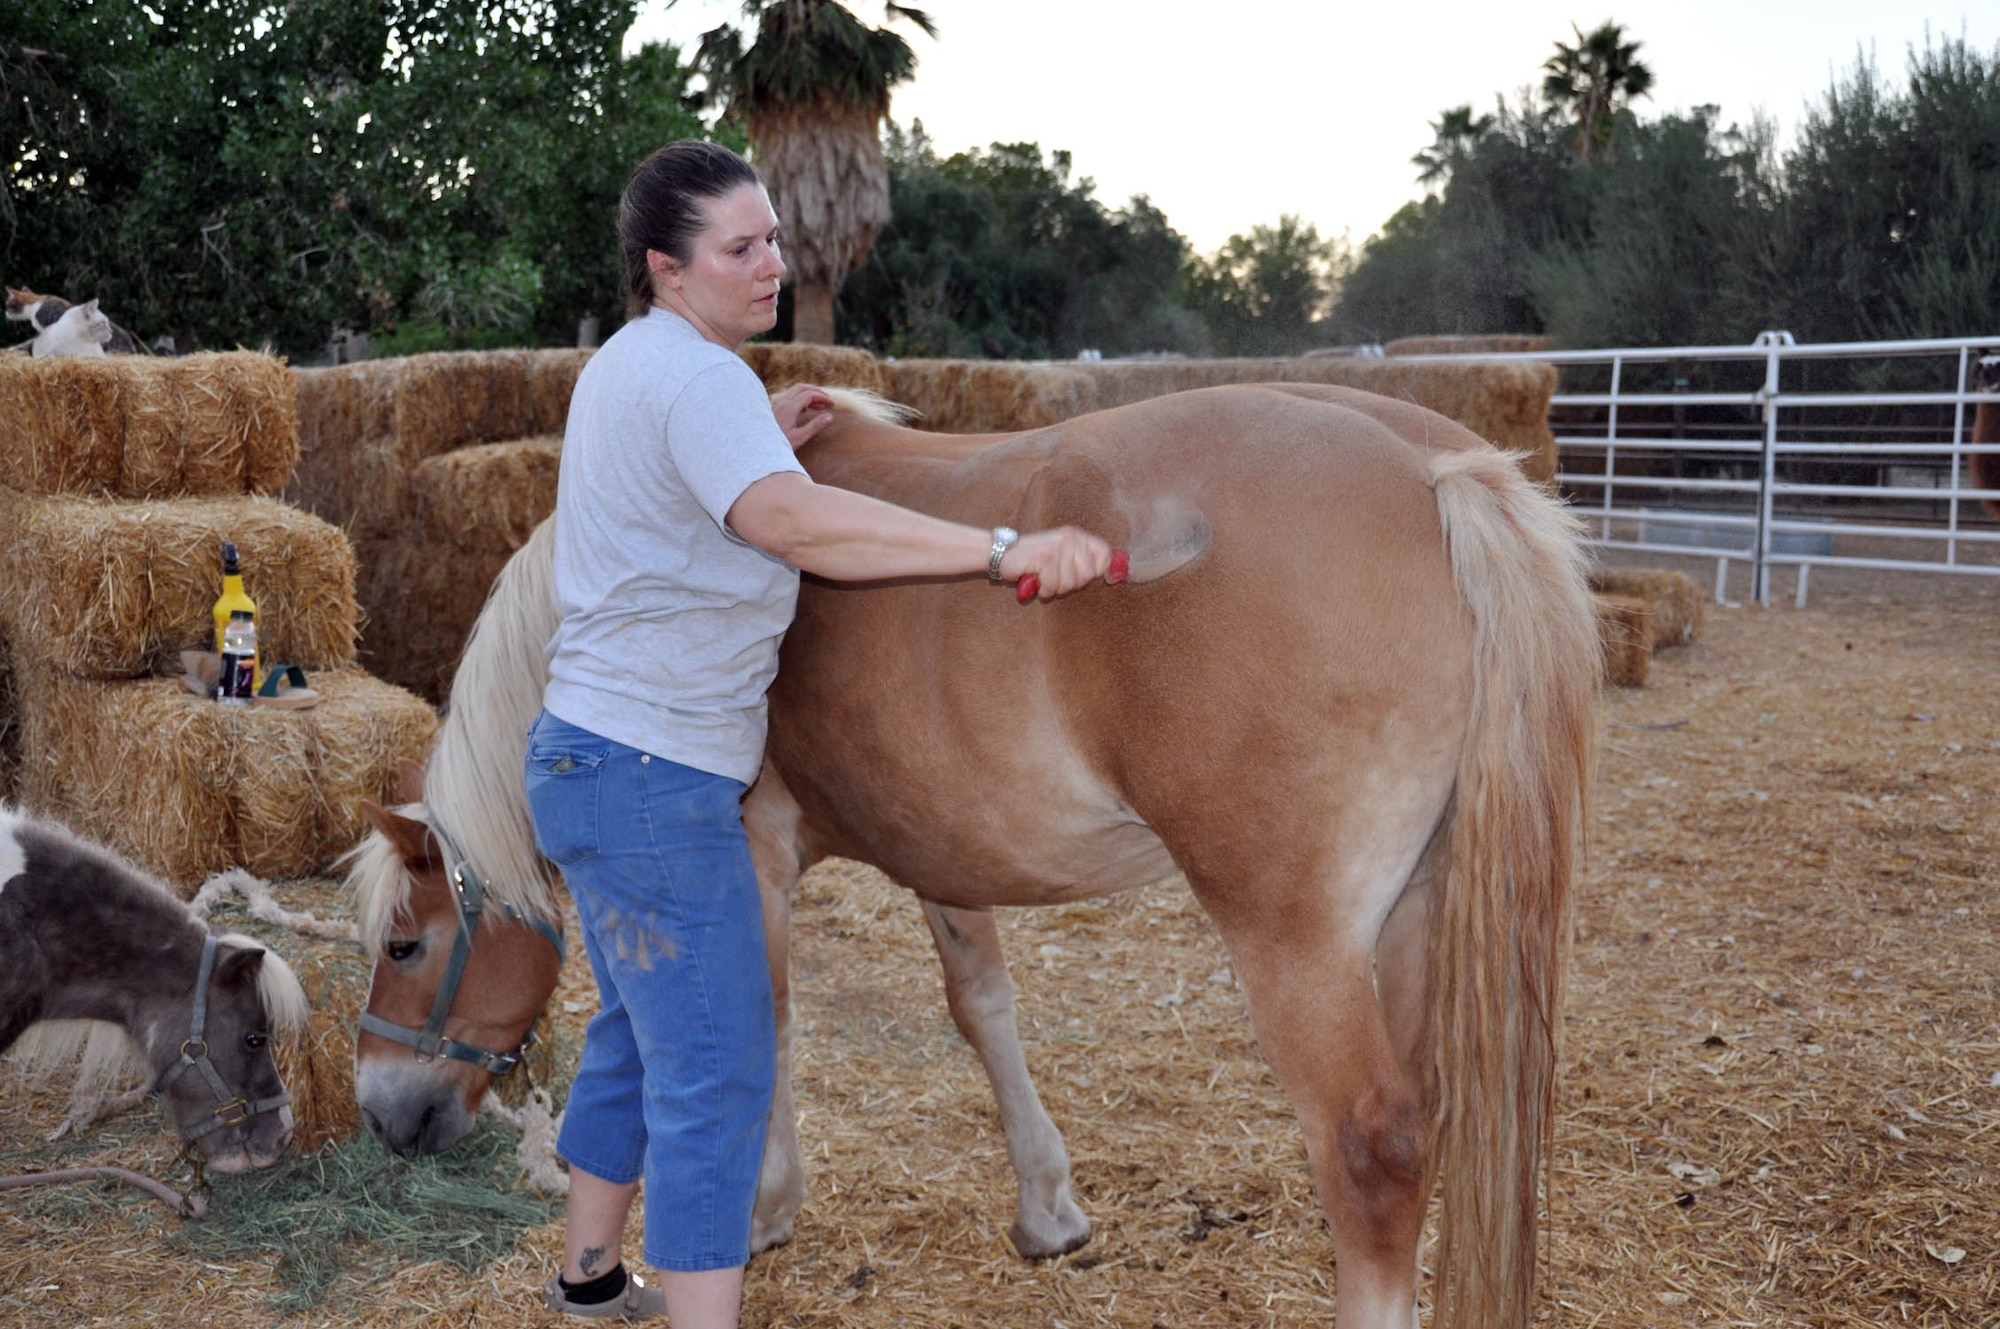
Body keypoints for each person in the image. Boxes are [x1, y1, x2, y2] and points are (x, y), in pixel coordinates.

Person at [524, 139, 1113, 1324]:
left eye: (774, 240)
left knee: (640, 1032)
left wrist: (758, 431)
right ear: (665, 266)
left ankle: (588, 1279)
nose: (771, 267)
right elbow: (800, 528)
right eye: (739, 249)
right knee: (718, 1074)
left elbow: (692, 491)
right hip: (654, 779)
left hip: (585, 761)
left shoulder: (634, 365)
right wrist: (999, 551)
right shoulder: (696, 383)